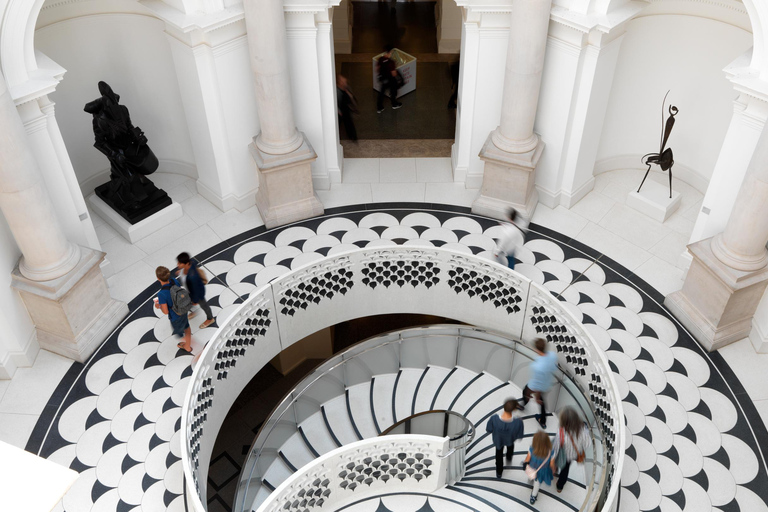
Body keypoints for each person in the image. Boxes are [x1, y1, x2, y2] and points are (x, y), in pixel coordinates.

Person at [520, 338, 558, 428]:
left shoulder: (537, 366)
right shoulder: (553, 356)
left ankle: (523, 405)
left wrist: (537, 397)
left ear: (536, 349)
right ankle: (543, 421)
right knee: (542, 403)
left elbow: (537, 384)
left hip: (535, 386)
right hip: (547, 384)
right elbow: (554, 367)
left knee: (526, 392)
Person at [552, 407, 591, 493]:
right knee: (565, 470)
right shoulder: (583, 430)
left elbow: (556, 447)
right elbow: (587, 444)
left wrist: (553, 460)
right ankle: (560, 486)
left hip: (563, 454)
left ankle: (556, 469)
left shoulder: (561, 432)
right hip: (574, 455)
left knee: (559, 463)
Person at [155, 266, 193, 352]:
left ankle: (187, 345)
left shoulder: (161, 294)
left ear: (158, 279)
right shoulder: (174, 281)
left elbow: (165, 311)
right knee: (187, 327)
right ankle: (188, 345)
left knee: (179, 333)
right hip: (183, 308)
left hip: (175, 316)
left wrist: (159, 306)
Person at [174, 252, 215, 329]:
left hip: (198, 294)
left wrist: (195, 300)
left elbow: (197, 290)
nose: (177, 265)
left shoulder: (193, 277)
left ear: (186, 264)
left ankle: (210, 318)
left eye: (180, 263)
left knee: (204, 305)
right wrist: (181, 272)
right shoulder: (189, 265)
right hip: (189, 291)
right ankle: (193, 311)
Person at [485, 399, 524, 478]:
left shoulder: (494, 419)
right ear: (514, 409)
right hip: (510, 440)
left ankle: (499, 472)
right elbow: (519, 436)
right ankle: (509, 459)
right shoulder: (518, 422)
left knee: (498, 455)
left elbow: (489, 429)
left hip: (498, 441)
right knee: (510, 449)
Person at [522, 430, 554, 504]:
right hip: (542, 471)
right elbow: (551, 464)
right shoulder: (551, 452)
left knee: (531, 475)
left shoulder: (532, 449)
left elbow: (527, 459)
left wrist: (525, 463)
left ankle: (530, 480)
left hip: (532, 468)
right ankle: (533, 496)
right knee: (537, 484)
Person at [376, 45, 402, 113]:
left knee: (382, 92)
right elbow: (394, 74)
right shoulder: (391, 62)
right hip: (390, 79)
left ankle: (379, 107)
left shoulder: (381, 59)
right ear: (390, 52)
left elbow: (377, 68)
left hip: (383, 78)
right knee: (393, 91)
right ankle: (394, 104)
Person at [337, 75, 358, 142]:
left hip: (346, 109)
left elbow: (352, 97)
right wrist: (339, 111)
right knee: (340, 123)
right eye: (343, 82)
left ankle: (353, 137)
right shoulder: (338, 92)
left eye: (345, 82)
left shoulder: (346, 88)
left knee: (348, 122)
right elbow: (336, 103)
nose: (345, 83)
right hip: (341, 110)